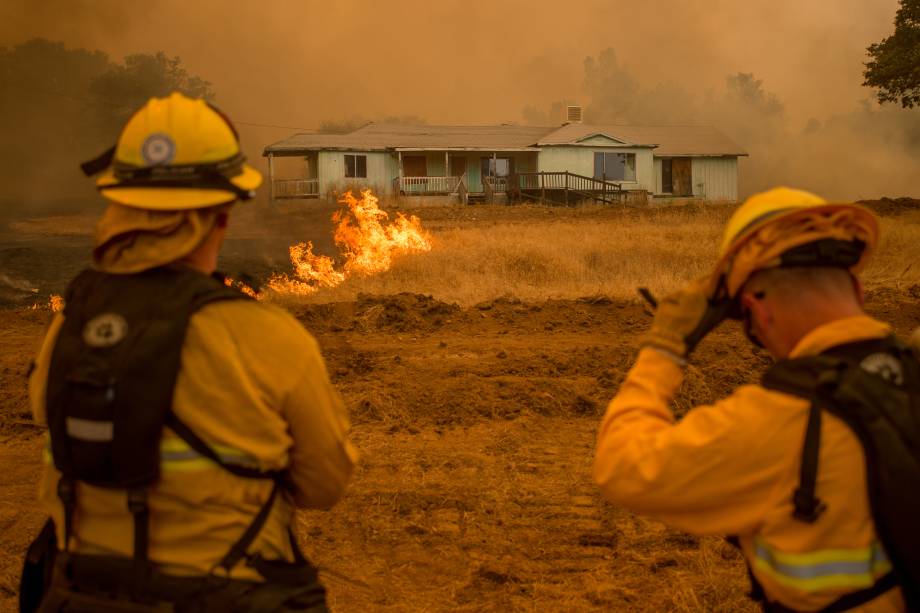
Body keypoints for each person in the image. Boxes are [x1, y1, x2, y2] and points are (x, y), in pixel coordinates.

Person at [20, 92, 357, 612]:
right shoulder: (268, 336)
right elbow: (322, 485)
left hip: (82, 595)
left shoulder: (70, 327)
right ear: (220, 214)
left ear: (120, 208)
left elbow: (48, 417)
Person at [594, 187, 918, 612]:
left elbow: (622, 465)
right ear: (858, 291)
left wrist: (664, 347)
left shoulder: (778, 420)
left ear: (756, 311)